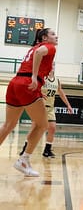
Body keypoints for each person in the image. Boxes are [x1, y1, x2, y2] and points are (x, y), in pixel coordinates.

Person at [0, 28, 57, 177]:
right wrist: (33, 77)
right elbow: (40, 54)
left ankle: (24, 160)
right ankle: (23, 160)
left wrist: (38, 87)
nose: (56, 36)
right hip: (27, 84)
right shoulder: (49, 47)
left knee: (8, 125)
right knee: (43, 125)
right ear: (45, 38)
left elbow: (36, 55)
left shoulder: (33, 47)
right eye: (53, 34)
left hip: (15, 82)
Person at [19, 67, 73, 158]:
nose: (52, 66)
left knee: (52, 128)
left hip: (50, 108)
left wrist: (68, 105)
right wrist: (38, 93)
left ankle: (47, 150)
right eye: (50, 64)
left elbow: (61, 92)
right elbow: (33, 88)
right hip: (40, 106)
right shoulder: (42, 77)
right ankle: (25, 148)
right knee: (34, 129)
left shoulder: (57, 80)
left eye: (53, 64)